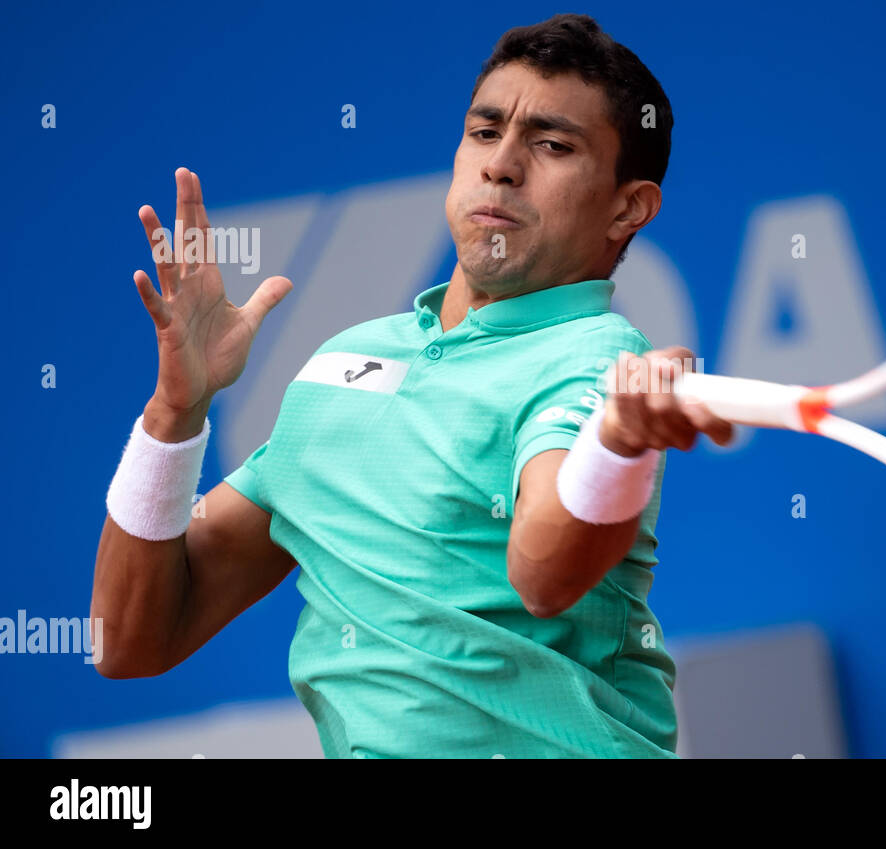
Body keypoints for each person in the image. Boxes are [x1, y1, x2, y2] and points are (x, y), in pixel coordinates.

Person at [91, 13, 732, 758]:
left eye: (552, 145)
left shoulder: (592, 354)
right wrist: (175, 412)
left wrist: (615, 445)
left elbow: (544, 577)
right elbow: (128, 641)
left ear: (629, 207)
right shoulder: (344, 363)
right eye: (485, 132)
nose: (501, 165)